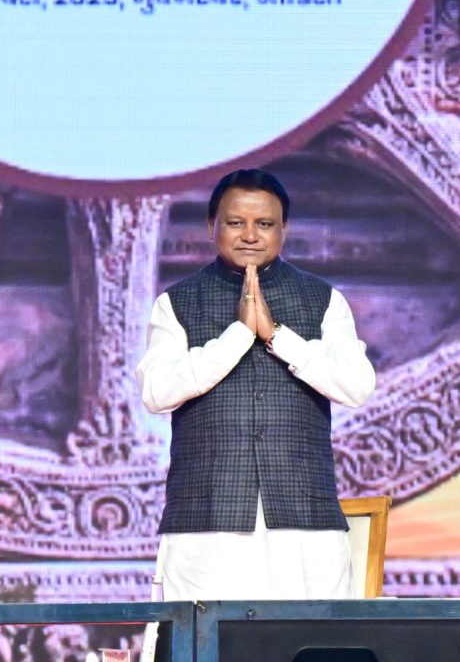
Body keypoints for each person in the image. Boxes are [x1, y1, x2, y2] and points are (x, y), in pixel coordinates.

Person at [138, 168, 376, 601]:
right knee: (203, 642)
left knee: (307, 643)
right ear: (211, 226)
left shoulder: (323, 300)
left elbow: (356, 386)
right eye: (236, 222)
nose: (250, 235)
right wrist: (238, 335)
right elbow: (156, 392)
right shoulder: (176, 303)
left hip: (304, 526)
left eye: (264, 224)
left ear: (284, 229)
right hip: (206, 526)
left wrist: (276, 335)